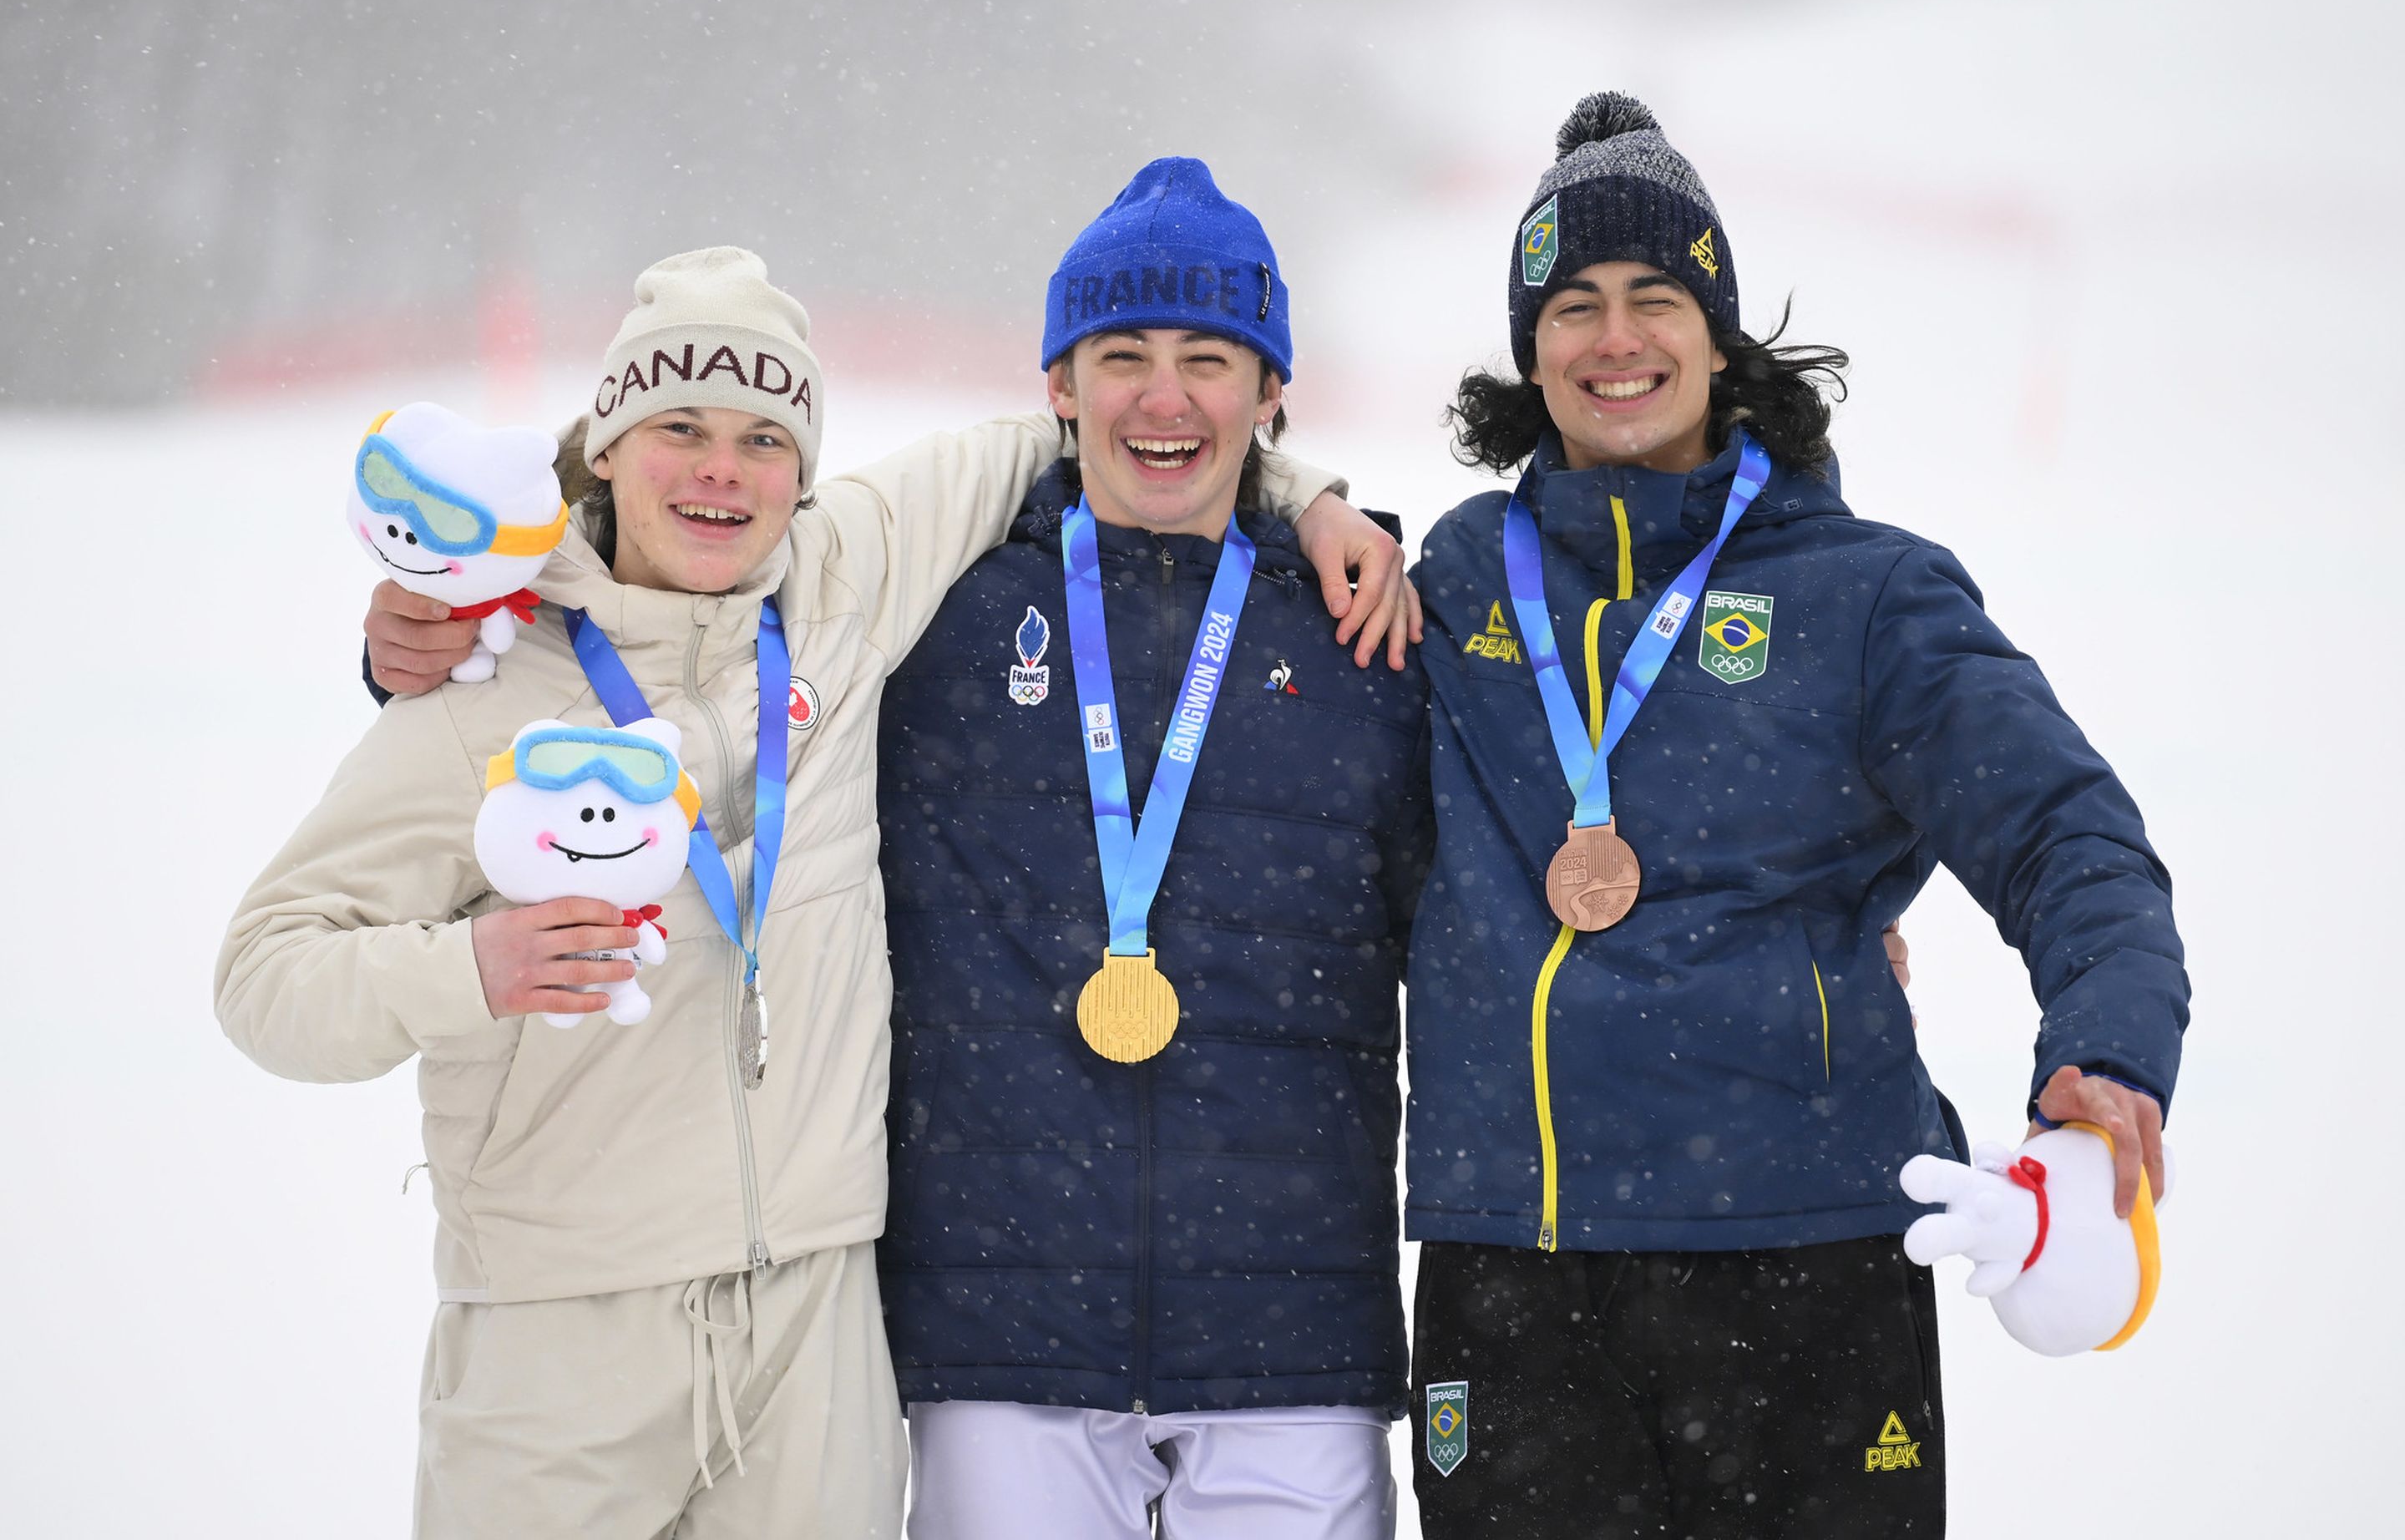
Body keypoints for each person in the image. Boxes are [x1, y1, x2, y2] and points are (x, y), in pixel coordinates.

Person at [218, 244, 1403, 1537]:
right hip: (561, 1329)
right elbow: (265, 976)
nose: (723, 472)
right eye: (680, 430)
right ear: (602, 451)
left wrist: (1306, 499)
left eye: (764, 440)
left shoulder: (843, 588)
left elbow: (1122, 430)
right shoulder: (488, 689)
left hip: (816, 1336)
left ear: (805, 474)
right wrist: (468, 971)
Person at [1400, 94, 2188, 1537]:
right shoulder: (1452, 583)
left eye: (1656, 297)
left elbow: (2073, 837)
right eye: (1573, 305)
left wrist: (2107, 1053)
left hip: (1804, 1257)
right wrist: (1301, 492)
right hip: (1513, 1265)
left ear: (1720, 332)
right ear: (1531, 349)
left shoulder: (1864, 594)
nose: (1617, 338)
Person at [873, 158, 1430, 1539]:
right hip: (1002, 1320)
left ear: (1272, 391)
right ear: (1058, 384)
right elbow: (699, 622)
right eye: (1121, 355)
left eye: (1209, 359)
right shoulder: (934, 606)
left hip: (1295, 1328)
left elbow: (1500, 890)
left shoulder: (1370, 628)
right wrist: (449, 628)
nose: (1164, 399)